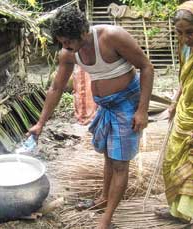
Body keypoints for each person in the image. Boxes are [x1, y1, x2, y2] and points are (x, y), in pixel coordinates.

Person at [28, 6, 154, 229]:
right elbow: (56, 88)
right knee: (108, 155)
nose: (65, 47)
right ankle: (104, 199)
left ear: (82, 32)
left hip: (127, 103)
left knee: (120, 163)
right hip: (106, 106)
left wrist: (142, 110)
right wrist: (40, 123)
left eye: (68, 41)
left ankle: (107, 218)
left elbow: (146, 67)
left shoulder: (112, 37)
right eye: (61, 42)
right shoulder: (68, 53)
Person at [155, 0, 193, 223]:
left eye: (190, 33)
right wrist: (173, 102)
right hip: (184, 113)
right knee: (172, 162)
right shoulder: (186, 47)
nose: (185, 38)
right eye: (179, 33)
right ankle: (178, 211)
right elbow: (183, 78)